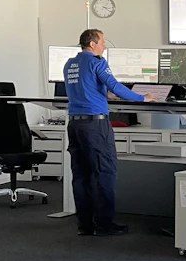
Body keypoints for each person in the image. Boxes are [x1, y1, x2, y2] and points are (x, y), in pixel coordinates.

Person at [63, 29, 157, 237]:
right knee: (105, 172)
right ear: (93, 43)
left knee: (81, 175)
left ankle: (85, 225)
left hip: (75, 126)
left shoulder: (70, 64)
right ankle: (105, 224)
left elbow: (83, 88)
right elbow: (115, 85)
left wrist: (106, 95)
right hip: (95, 126)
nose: (105, 46)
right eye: (103, 42)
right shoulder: (97, 62)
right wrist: (143, 98)